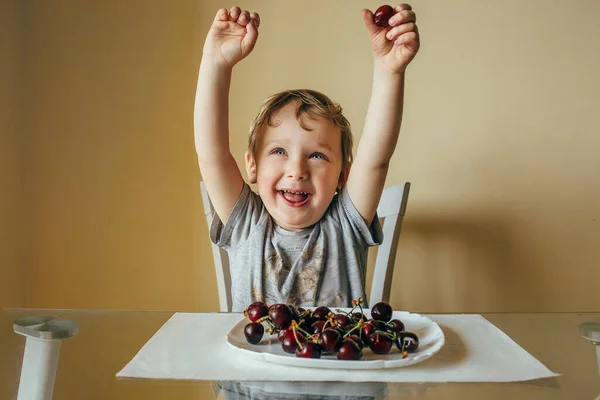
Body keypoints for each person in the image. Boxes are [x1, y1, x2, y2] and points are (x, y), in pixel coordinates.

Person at [194, 4, 420, 312]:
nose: (297, 170)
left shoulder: (345, 224)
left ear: (343, 177)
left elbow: (376, 158)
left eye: (317, 155)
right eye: (279, 151)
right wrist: (216, 63)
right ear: (253, 166)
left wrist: (389, 70)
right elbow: (212, 155)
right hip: (255, 361)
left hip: (336, 360)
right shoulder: (248, 223)